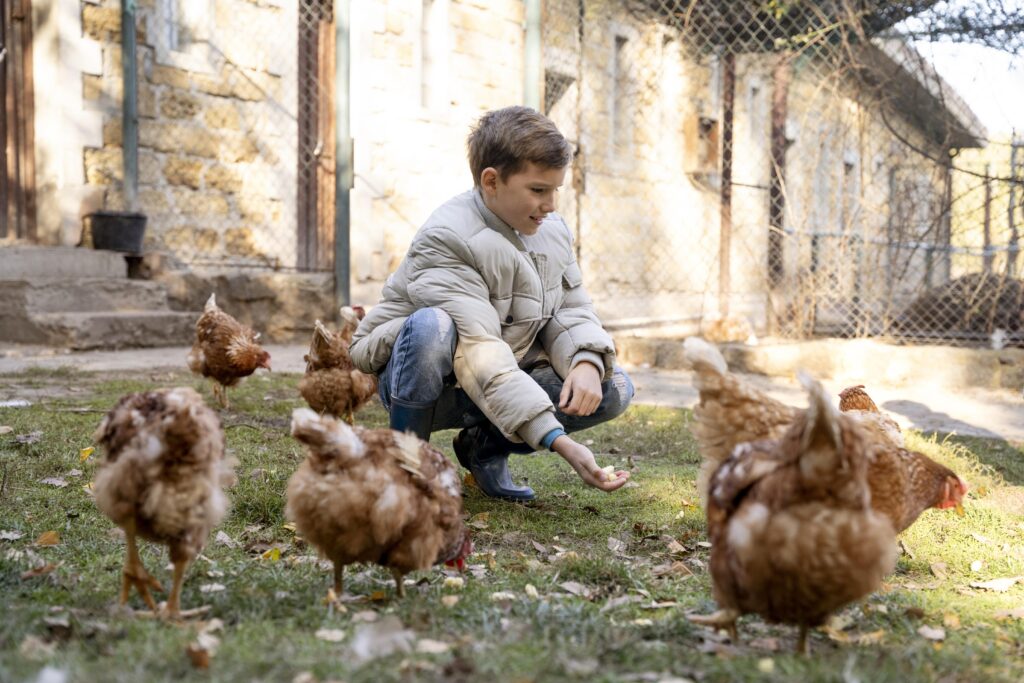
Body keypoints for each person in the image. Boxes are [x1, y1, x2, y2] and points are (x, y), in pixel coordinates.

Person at [349, 106, 635, 501]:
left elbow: (569, 309)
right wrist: (557, 440)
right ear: (491, 181)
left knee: (614, 386)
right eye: (538, 190)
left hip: (497, 373)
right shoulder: (447, 237)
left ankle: (484, 448)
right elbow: (480, 351)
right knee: (434, 326)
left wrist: (586, 360)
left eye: (556, 190)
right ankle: (405, 466)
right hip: (429, 380)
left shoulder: (549, 230)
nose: (551, 204)